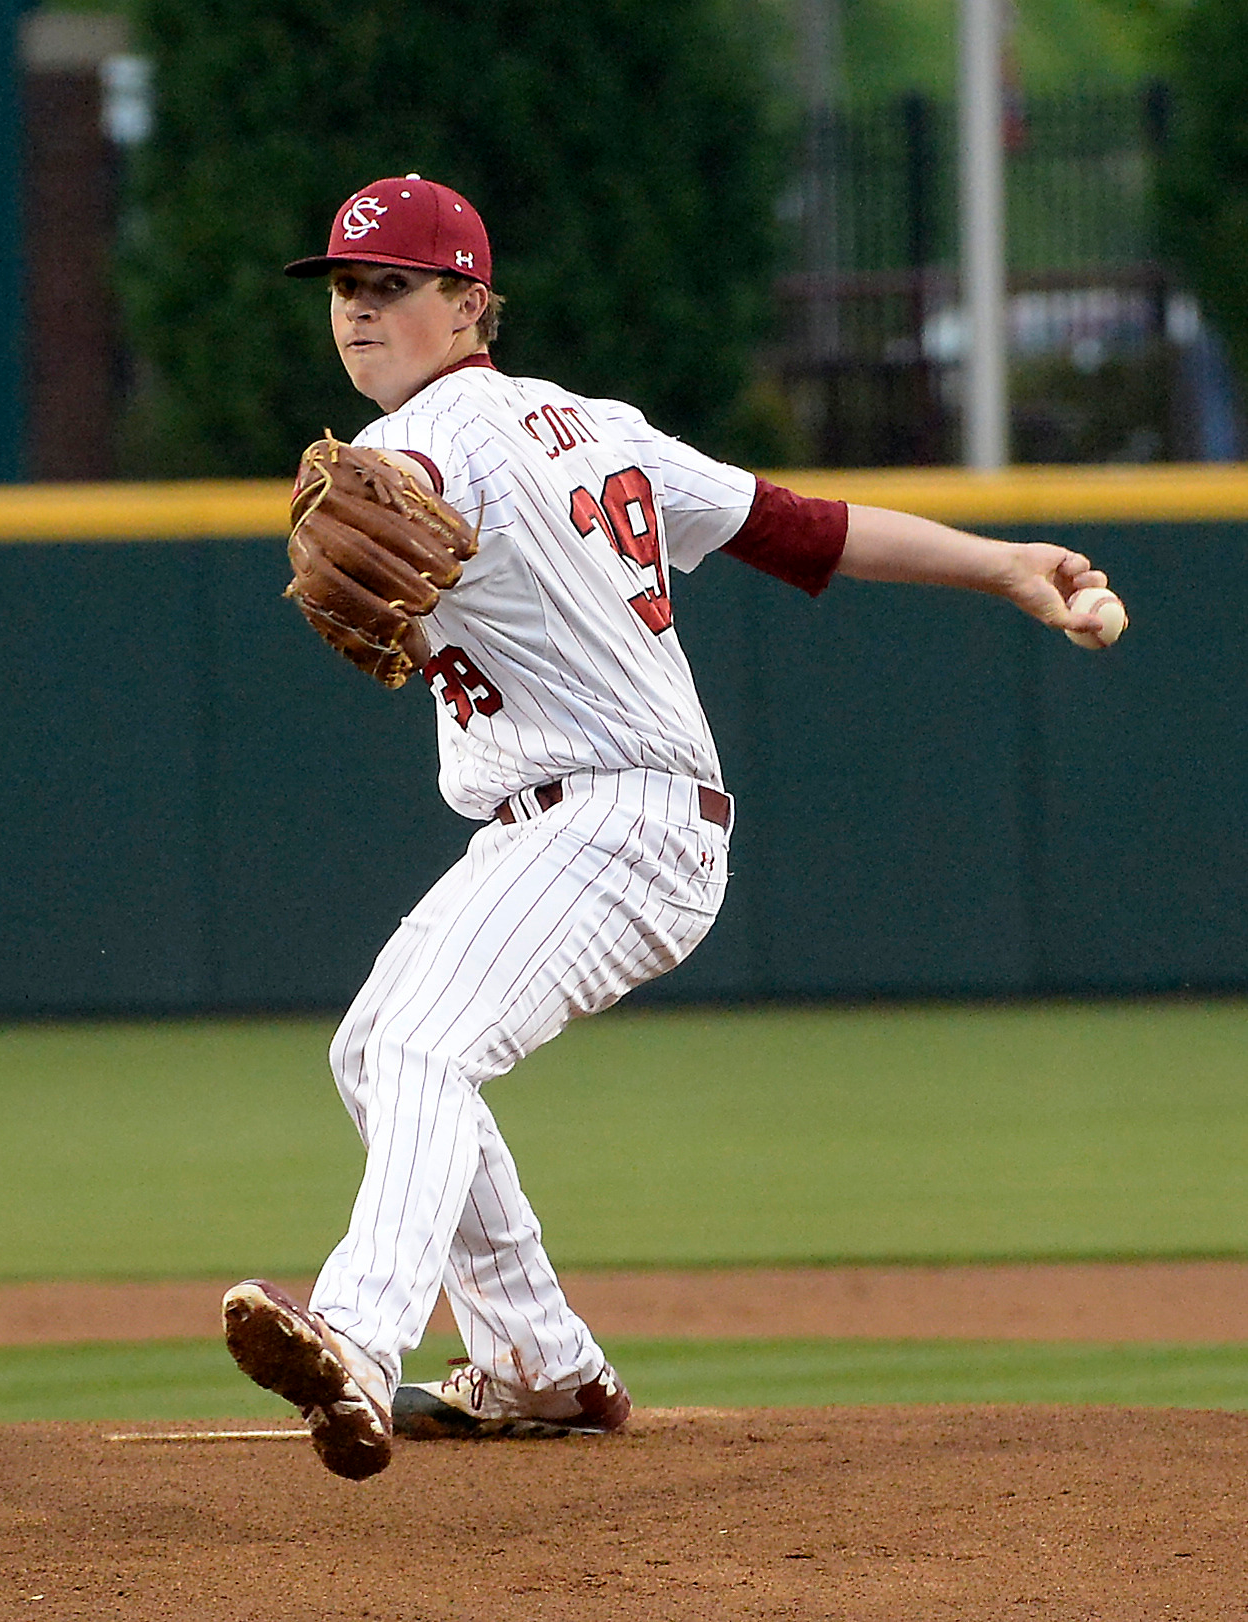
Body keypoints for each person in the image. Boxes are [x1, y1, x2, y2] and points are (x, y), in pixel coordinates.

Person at [222, 175, 1116, 1481]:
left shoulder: (444, 435)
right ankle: (540, 1364)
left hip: (604, 825)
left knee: (414, 1043)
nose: (358, 313)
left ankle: (355, 1339)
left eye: (391, 287)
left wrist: (357, 490)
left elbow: (402, 477)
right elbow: (806, 530)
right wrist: (1005, 563)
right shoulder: (600, 427)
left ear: (469, 302)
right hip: (612, 829)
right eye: (346, 291)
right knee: (383, 1049)